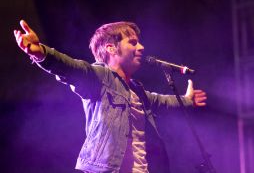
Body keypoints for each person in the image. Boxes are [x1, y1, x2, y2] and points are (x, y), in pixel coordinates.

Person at [14, 20, 207, 173]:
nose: (141, 47)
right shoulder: (101, 76)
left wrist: (187, 100)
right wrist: (41, 53)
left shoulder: (136, 89)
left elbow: (161, 101)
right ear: (111, 48)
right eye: (132, 42)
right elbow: (71, 68)